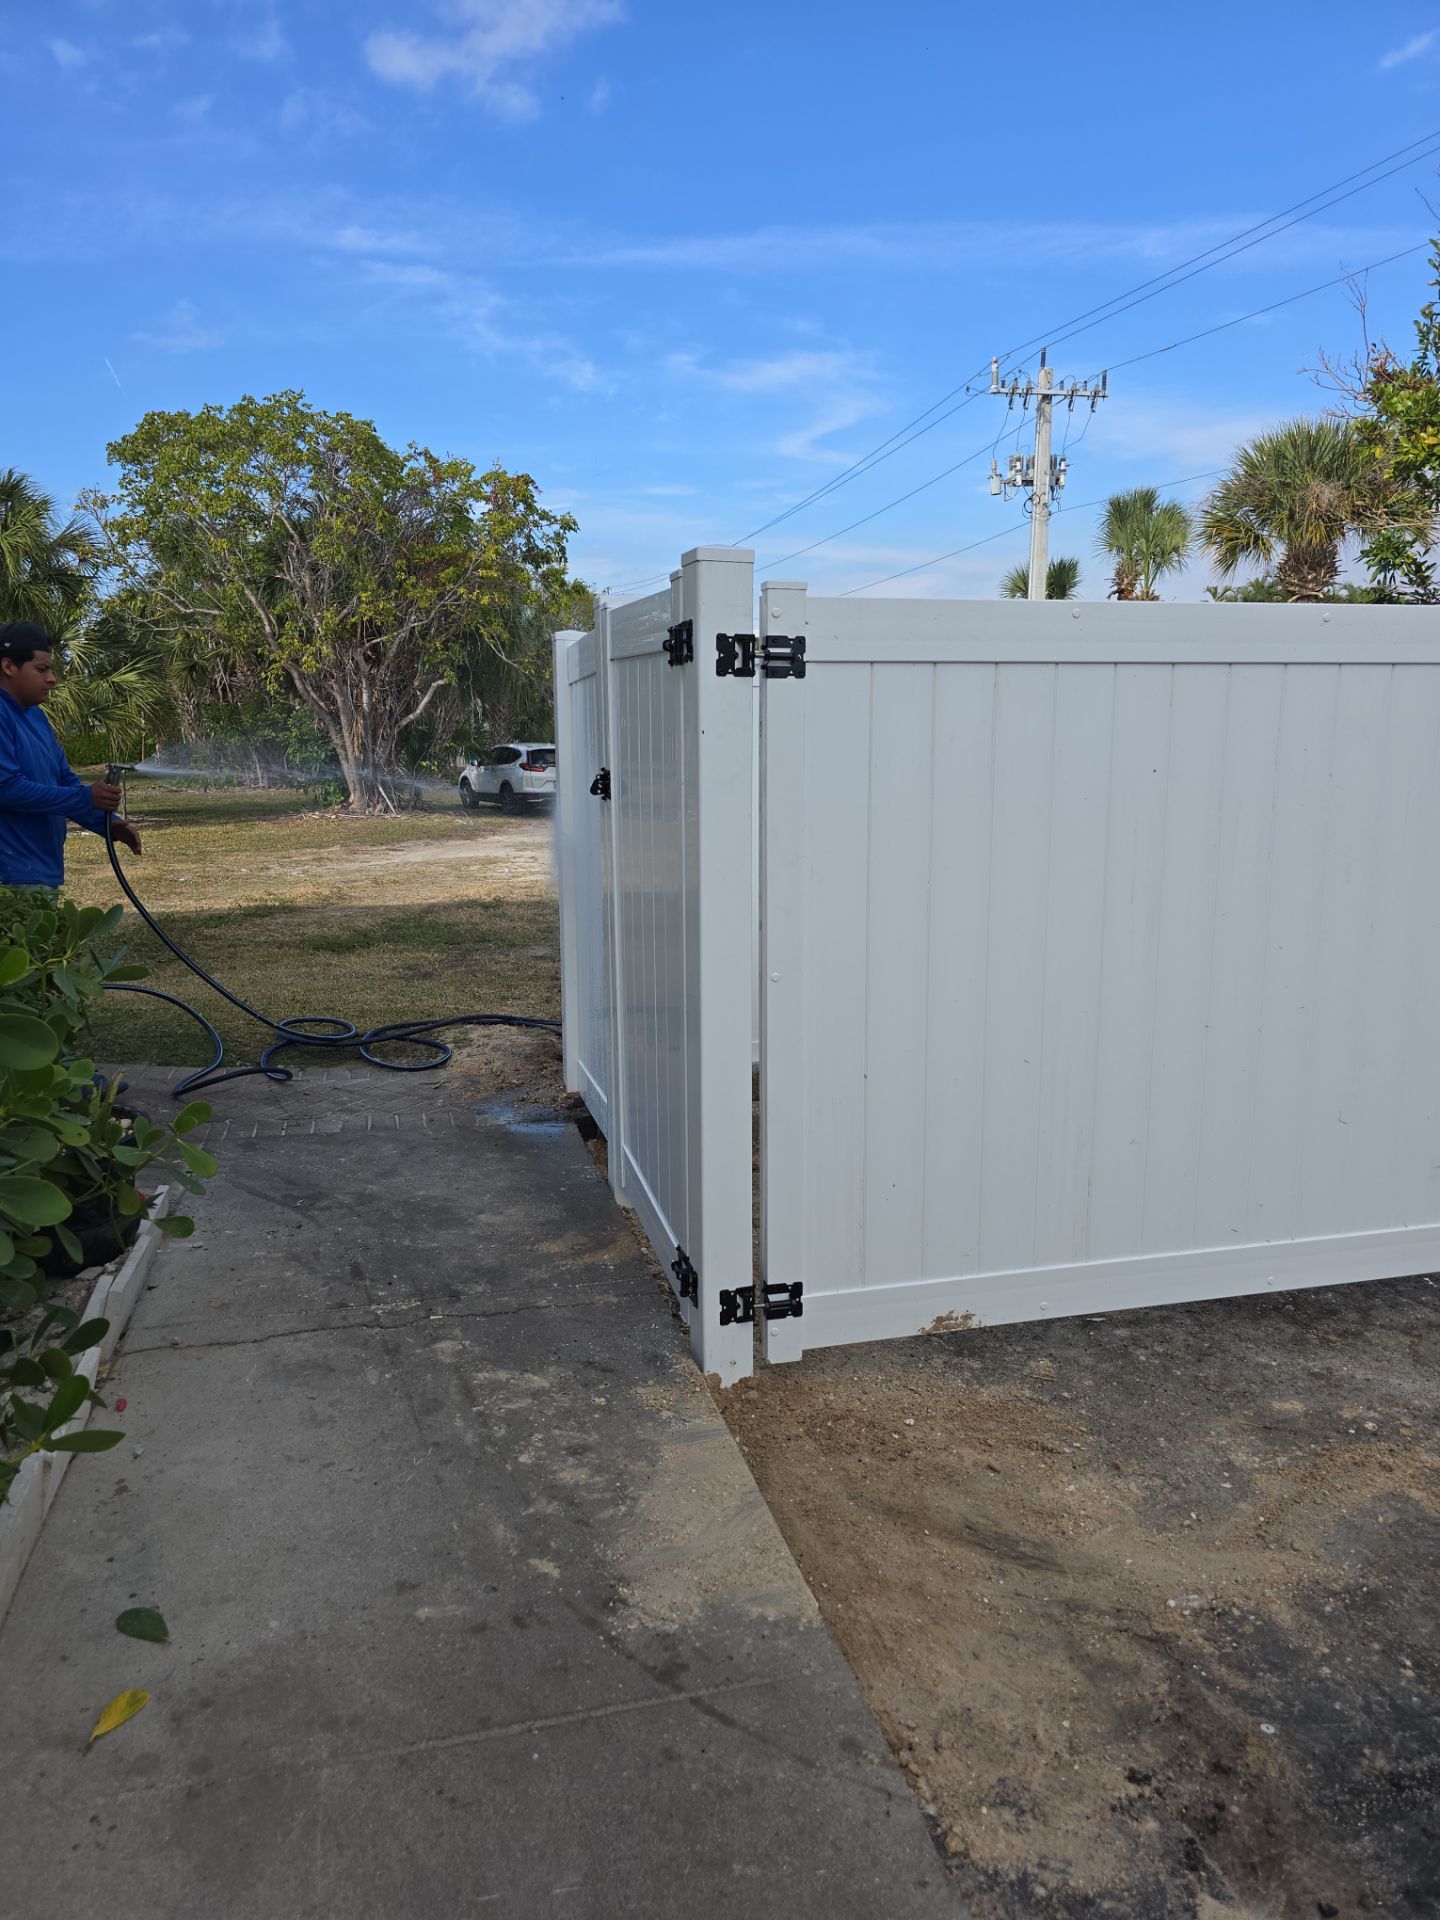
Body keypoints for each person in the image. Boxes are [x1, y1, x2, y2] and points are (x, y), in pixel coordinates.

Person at [0, 620, 141, 888]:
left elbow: (64, 782)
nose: (51, 679)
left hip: (42, 870)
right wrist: (86, 797)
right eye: (41, 669)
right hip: (9, 875)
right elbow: (6, 788)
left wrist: (108, 823)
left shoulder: (37, 718)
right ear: (8, 666)